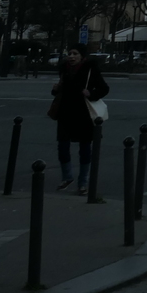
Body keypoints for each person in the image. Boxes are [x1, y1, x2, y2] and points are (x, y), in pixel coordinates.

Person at [49, 45, 108, 194]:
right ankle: (67, 177)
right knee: (62, 146)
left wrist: (91, 94)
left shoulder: (90, 69)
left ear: (82, 56)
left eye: (75, 54)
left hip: (84, 114)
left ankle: (83, 183)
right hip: (65, 113)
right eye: (69, 53)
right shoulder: (64, 69)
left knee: (85, 149)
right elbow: (61, 90)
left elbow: (104, 88)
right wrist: (55, 89)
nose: (71, 56)